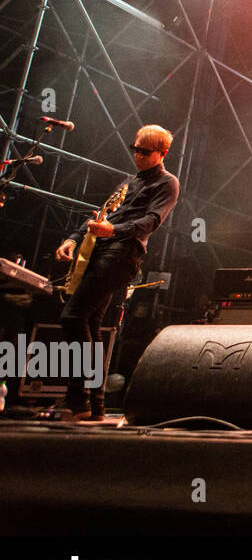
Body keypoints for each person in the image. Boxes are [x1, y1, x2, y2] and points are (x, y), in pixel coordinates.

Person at [55, 124, 179, 422]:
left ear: (161, 153)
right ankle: (95, 404)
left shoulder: (167, 183)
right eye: (134, 148)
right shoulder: (128, 182)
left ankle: (78, 397)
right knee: (93, 325)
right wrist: (72, 238)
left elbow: (151, 221)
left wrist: (114, 230)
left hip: (123, 252)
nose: (136, 155)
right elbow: (101, 215)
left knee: (73, 317)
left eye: (144, 152)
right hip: (100, 248)